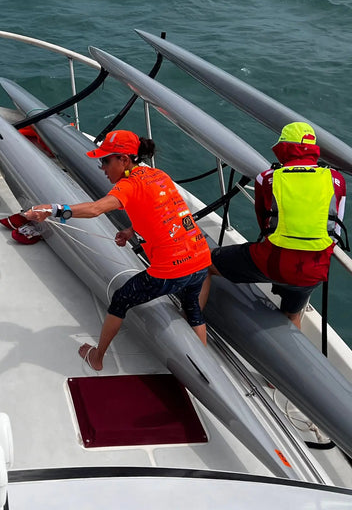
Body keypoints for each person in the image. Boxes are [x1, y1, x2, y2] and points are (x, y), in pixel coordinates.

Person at [25, 130, 211, 371]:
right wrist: (131, 231)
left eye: (105, 161)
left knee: (121, 299)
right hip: (200, 259)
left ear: (124, 160)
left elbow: (94, 209)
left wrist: (52, 209)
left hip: (171, 270)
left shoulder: (129, 184)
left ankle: (97, 357)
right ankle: (205, 369)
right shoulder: (158, 175)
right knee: (193, 308)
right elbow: (164, 211)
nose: (102, 168)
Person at [199, 122, 346, 328]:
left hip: (273, 262)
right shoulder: (337, 180)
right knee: (292, 315)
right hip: (314, 270)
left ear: (283, 148)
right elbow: (335, 229)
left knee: (204, 264)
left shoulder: (267, 178)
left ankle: (192, 328)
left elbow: (265, 224)